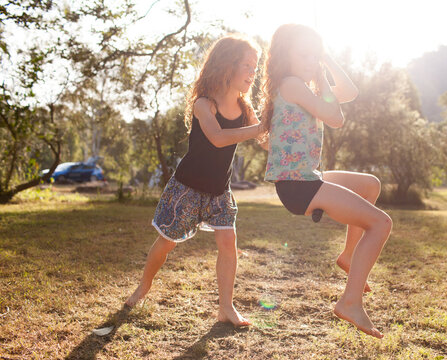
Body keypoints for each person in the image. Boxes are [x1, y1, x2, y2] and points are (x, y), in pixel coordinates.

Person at [260, 24, 392, 338]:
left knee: (369, 185)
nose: (310, 60)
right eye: (303, 54)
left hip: (306, 177)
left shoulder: (303, 86)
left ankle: (348, 256)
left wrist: (327, 60)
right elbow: (336, 117)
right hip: (297, 185)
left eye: (313, 54)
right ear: (284, 57)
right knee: (381, 224)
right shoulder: (292, 84)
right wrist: (320, 78)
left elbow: (349, 93)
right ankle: (350, 302)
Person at [125, 34, 263, 327]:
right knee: (166, 243)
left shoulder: (245, 108)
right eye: (248, 66)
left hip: (219, 191)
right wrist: (259, 129)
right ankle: (144, 286)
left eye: (256, 67)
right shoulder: (205, 103)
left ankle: (226, 307)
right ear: (227, 65)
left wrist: (284, 122)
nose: (253, 73)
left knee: (228, 241)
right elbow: (217, 138)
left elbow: (265, 140)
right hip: (187, 187)